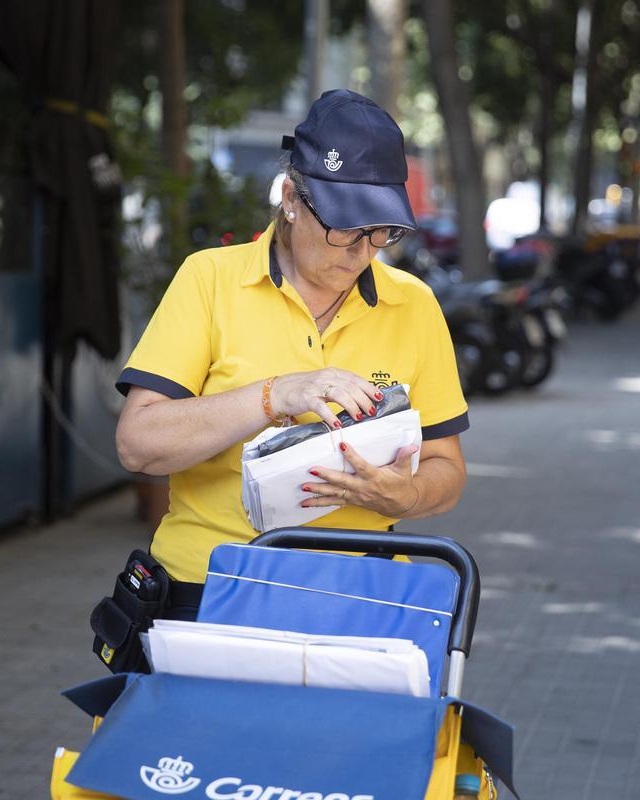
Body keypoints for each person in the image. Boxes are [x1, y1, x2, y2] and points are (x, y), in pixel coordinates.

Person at [113, 90, 469, 619]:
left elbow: (447, 468)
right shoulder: (210, 280)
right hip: (213, 585)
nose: (361, 252)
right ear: (290, 198)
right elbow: (138, 446)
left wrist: (406, 497)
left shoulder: (412, 305)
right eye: (344, 227)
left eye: (381, 232)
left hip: (359, 593)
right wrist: (276, 394)